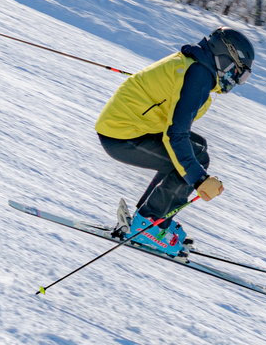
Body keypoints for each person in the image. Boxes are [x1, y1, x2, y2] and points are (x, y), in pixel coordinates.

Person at [95, 27, 255, 256]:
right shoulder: (199, 75)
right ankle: (149, 224)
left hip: (128, 127)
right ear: (226, 60)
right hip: (121, 136)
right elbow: (175, 134)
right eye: (240, 73)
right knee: (193, 157)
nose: (238, 81)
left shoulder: (197, 68)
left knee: (197, 148)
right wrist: (199, 178)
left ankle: (150, 221)